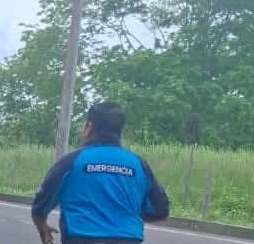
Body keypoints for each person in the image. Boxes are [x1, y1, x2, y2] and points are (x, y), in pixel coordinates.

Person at [32, 102, 170, 244]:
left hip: (81, 238)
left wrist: (42, 227)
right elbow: (160, 210)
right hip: (128, 239)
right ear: (121, 131)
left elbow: (41, 204)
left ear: (89, 127)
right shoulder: (139, 165)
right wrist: (128, 217)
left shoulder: (71, 161)